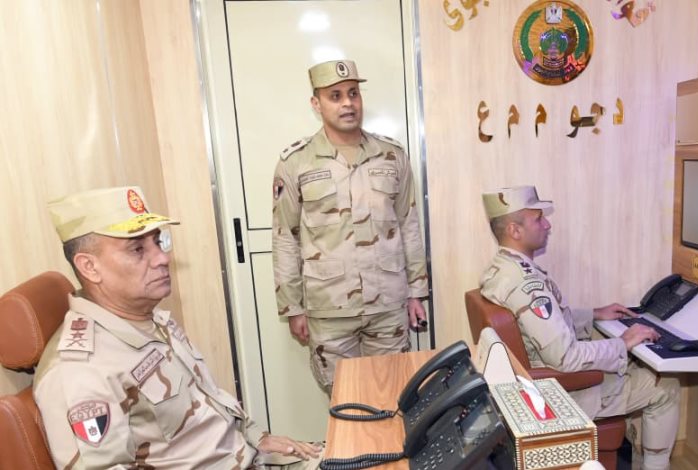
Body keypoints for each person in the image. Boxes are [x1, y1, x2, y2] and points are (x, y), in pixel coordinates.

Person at [36, 186, 322, 469]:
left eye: (158, 242)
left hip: (247, 455)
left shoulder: (150, 319)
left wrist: (256, 437)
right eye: (137, 249)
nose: (163, 258)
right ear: (89, 267)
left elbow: (207, 402)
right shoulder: (80, 370)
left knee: (345, 451)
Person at [478, 185, 680, 470]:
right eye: (538, 219)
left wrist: (593, 315)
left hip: (535, 384)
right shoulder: (525, 284)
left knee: (637, 365)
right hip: (558, 394)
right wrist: (622, 343)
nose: (547, 225)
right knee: (666, 386)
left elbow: (539, 325)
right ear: (515, 230)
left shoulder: (502, 269)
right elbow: (566, 357)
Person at [272, 59, 429, 390]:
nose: (348, 103)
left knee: (395, 393)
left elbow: (409, 224)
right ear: (316, 104)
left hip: (388, 303)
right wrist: (293, 307)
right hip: (329, 308)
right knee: (345, 399)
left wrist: (416, 292)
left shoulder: (391, 155)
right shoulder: (296, 162)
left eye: (353, 93)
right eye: (335, 96)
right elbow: (285, 236)